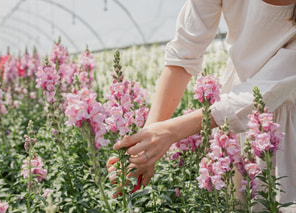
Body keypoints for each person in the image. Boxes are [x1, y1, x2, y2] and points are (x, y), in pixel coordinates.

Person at [108, 0, 296, 211]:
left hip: (283, 129)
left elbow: (267, 89)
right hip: (232, 125)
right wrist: (145, 147)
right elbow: (183, 54)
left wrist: (171, 131)